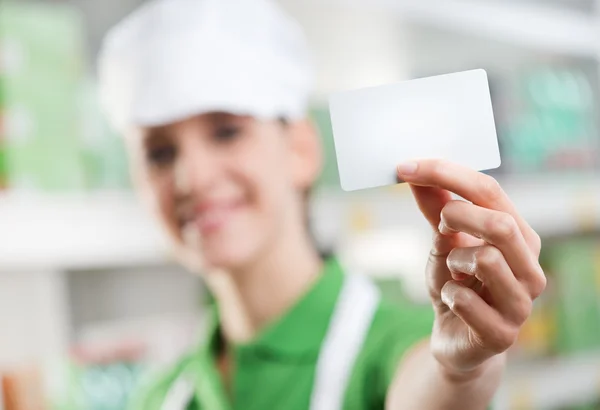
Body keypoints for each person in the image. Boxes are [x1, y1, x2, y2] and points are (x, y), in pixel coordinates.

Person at [97, 0, 546, 408]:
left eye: (226, 132)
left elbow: (434, 387)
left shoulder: (396, 342)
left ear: (301, 150)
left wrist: (459, 371)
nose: (190, 178)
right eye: (159, 153)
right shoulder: (161, 394)